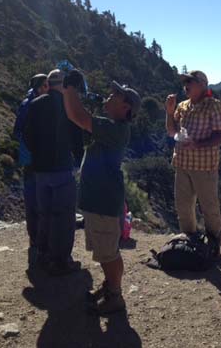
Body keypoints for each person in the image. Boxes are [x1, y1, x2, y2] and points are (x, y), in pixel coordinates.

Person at [58, 74, 141, 315]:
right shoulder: (112, 127)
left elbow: (77, 116)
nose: (109, 95)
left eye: (115, 94)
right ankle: (109, 287)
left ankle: (115, 296)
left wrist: (70, 87)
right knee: (105, 251)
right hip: (100, 201)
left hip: (103, 202)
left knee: (109, 253)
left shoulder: (115, 129)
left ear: (125, 106)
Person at [23, 69, 83, 276]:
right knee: (64, 216)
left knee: (44, 213)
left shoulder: (35, 104)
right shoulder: (69, 106)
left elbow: (28, 136)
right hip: (63, 168)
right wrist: (78, 158)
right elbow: (77, 136)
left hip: (41, 169)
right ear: (63, 85)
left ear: (48, 84)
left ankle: (43, 253)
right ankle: (61, 260)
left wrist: (38, 156)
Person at [165, 70, 221, 258]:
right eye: (185, 82)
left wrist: (198, 144)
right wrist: (169, 112)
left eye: (190, 82)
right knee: (183, 206)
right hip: (182, 163)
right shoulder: (183, 106)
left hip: (204, 167)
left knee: (209, 208)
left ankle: (214, 244)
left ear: (202, 84)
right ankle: (191, 242)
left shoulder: (213, 106)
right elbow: (171, 131)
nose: (186, 85)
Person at [12, 74, 48, 270]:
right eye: (44, 85)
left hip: (34, 157)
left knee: (37, 197)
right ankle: (35, 238)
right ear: (37, 86)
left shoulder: (33, 102)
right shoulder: (28, 104)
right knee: (34, 198)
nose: (47, 88)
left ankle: (38, 238)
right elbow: (18, 130)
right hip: (32, 158)